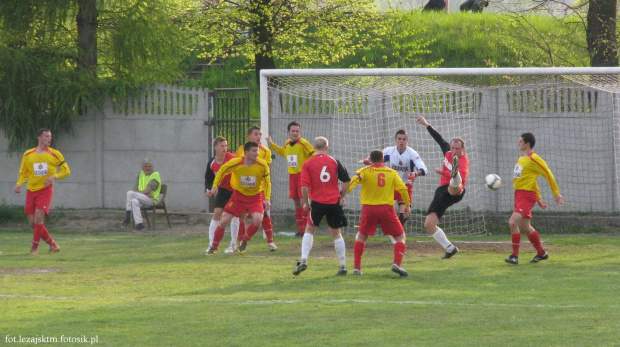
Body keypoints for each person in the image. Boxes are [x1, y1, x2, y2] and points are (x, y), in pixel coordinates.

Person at [345, 149, 411, 277]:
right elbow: (403, 188)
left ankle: (357, 268)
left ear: (370, 160)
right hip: (386, 209)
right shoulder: (391, 172)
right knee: (400, 236)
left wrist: (344, 195)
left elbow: (353, 181)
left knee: (362, 237)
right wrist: (407, 205)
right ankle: (397, 263)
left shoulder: (364, 171)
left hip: (369, 209)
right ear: (383, 160)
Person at [293, 136, 351, 276]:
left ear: (313, 148)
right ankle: (342, 265)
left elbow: (305, 186)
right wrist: (341, 196)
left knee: (309, 230)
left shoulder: (308, 164)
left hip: (318, 202)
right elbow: (347, 181)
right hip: (333, 202)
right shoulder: (334, 162)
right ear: (326, 148)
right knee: (336, 234)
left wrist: (306, 202)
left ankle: (304, 260)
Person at [505, 133, 564, 265]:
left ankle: (514, 256)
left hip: (526, 196)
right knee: (525, 226)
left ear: (527, 144)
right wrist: (538, 198)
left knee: (513, 222)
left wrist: (556, 194)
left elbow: (548, 174)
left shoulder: (534, 158)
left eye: (520, 141)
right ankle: (542, 253)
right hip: (519, 195)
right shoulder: (522, 158)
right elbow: (532, 180)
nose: (518, 143)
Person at [417, 116, 468, 259]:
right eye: (452, 148)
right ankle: (450, 248)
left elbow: (462, 180)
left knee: (455, 183)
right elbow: (438, 137)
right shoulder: (447, 150)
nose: (454, 150)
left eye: (457, 149)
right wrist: (426, 124)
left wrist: (443, 172)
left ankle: (454, 174)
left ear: (463, 148)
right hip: (442, 191)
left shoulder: (464, 162)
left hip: (457, 190)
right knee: (429, 224)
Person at [207, 141, 271, 255]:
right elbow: (222, 170)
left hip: (255, 197)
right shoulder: (236, 162)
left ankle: (244, 242)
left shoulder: (262, 165)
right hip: (239, 196)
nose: (257, 153)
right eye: (254, 151)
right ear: (246, 152)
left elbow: (267, 183)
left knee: (257, 220)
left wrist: (267, 198)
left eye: (257, 151)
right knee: (224, 220)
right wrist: (215, 185)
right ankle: (214, 246)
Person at [14, 128, 71, 255]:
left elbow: (66, 171)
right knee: (32, 223)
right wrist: (19, 184)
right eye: (46, 136)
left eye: (50, 136)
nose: (49, 138)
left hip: (45, 190)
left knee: (39, 218)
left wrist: (54, 176)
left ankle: (34, 248)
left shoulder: (55, 154)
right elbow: (24, 172)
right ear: (39, 138)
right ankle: (53, 244)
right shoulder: (28, 154)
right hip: (31, 190)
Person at [267, 121, 315, 237]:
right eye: (293, 131)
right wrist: (272, 145)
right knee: (297, 204)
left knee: (305, 203)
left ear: (300, 132)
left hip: (303, 176)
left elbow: (314, 155)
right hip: (292, 176)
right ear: (288, 132)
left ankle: (307, 230)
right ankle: (301, 229)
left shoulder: (304, 143)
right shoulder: (287, 143)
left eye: (297, 131)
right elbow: (284, 152)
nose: (295, 133)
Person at [235, 126, 277, 251]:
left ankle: (270, 242)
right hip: (243, 189)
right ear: (249, 136)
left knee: (263, 215)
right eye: (256, 134)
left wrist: (266, 195)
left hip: (260, 188)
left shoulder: (266, 151)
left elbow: (265, 172)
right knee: (241, 215)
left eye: (260, 134)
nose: (259, 136)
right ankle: (240, 242)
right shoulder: (240, 150)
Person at [205, 136, 240, 254]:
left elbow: (242, 169)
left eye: (226, 145)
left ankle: (233, 244)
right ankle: (211, 244)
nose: (224, 148)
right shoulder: (212, 163)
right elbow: (208, 179)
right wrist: (208, 189)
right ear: (215, 147)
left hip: (234, 191)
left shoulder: (233, 158)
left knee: (233, 216)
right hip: (222, 190)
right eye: (222, 146)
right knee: (216, 214)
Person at [121, 158, 162, 231]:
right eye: (146, 166)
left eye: (149, 166)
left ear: (152, 167)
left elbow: (148, 190)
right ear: (142, 167)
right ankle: (140, 224)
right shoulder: (140, 174)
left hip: (151, 199)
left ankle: (127, 217)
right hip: (141, 198)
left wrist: (138, 193)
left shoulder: (155, 174)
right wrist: (139, 193)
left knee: (130, 193)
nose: (148, 168)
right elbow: (135, 188)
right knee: (133, 201)